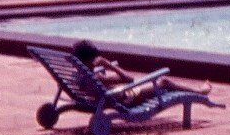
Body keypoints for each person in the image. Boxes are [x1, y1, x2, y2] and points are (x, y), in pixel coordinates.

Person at [72, 40, 211, 104]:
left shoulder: (78, 75)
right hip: (125, 98)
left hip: (111, 96)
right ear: (90, 59)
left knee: (152, 82)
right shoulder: (96, 77)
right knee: (164, 81)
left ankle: (198, 90)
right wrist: (108, 64)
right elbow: (129, 79)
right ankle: (200, 91)